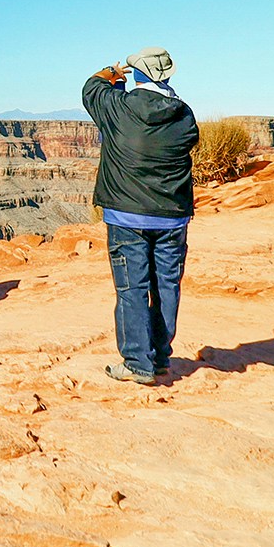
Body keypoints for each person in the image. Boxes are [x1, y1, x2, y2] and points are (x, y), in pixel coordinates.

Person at [82, 47, 198, 385]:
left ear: (139, 74)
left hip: (126, 217)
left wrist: (112, 73)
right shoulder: (184, 115)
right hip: (172, 216)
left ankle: (137, 362)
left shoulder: (118, 109)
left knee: (132, 288)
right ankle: (159, 357)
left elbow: (91, 88)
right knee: (166, 287)